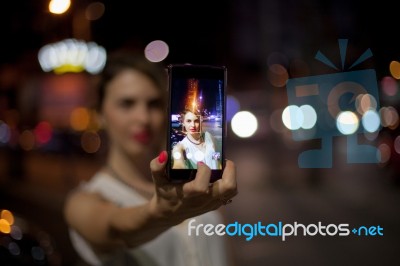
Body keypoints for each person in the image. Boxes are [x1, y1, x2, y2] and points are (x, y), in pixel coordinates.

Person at [63, 50, 238, 266]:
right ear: (100, 113)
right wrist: (157, 214)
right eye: (127, 104)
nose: (143, 118)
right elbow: (116, 228)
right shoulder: (86, 199)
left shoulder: (197, 186)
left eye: (154, 104)